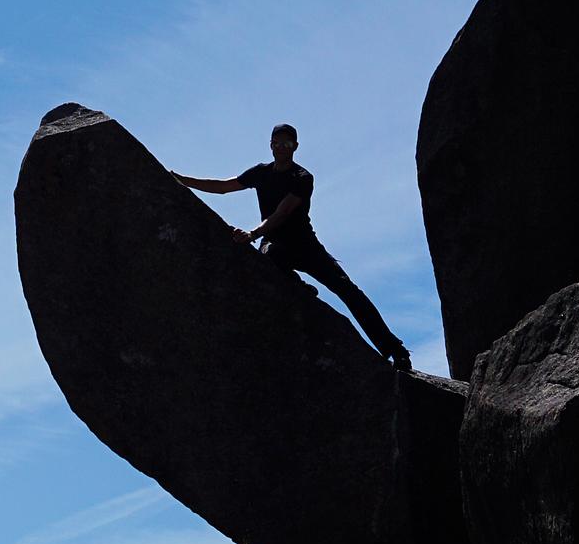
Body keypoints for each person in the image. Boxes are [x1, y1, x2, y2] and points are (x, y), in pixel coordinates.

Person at [171, 123, 413, 371]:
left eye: (286, 144)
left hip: (305, 245)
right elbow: (223, 187)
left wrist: (253, 233)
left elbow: (283, 212)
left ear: (295, 147)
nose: (281, 148)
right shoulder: (261, 173)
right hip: (275, 245)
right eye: (276, 143)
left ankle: (396, 351)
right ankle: (299, 287)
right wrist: (180, 181)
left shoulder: (302, 178)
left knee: (349, 291)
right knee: (266, 257)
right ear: (270, 145)